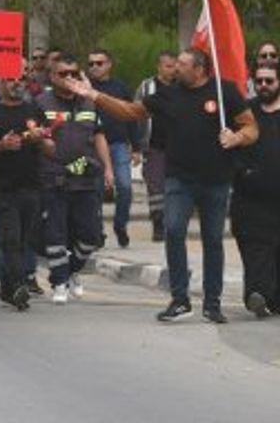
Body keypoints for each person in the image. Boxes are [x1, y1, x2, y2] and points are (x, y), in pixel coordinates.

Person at [62, 48, 257, 324]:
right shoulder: (168, 94)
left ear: (200, 68)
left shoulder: (225, 91)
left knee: (213, 240)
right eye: (176, 63)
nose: (177, 68)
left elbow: (251, 127)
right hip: (178, 178)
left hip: (216, 179)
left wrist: (237, 137)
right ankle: (180, 300)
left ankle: (212, 303)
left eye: (183, 64)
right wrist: (94, 95)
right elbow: (130, 111)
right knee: (174, 230)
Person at [35, 56, 112, 305]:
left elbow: (99, 136)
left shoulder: (89, 102)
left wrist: (109, 169)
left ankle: (71, 271)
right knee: (56, 233)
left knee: (91, 235)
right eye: (63, 73)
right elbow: (35, 138)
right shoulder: (40, 103)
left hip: (86, 176)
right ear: (52, 77)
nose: (70, 77)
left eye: (74, 73)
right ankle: (59, 282)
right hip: (54, 176)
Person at [0, 71, 53, 310]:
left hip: (31, 186)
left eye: (21, 79)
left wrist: (40, 139)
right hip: (3, 187)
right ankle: (18, 284)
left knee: (25, 239)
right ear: (0, 83)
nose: (16, 83)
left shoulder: (34, 110)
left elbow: (50, 148)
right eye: (10, 78)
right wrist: (1, 145)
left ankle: (8, 285)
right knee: (10, 238)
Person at [234, 63, 280, 317]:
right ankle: (256, 293)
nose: (263, 86)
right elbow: (232, 144)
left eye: (269, 81)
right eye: (259, 81)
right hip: (250, 198)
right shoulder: (246, 113)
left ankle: (272, 296)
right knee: (255, 248)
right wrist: (242, 172)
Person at [87, 49, 140, 248]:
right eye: (91, 63)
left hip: (118, 144)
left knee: (125, 187)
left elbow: (132, 116)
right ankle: (97, 232)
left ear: (109, 64)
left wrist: (136, 147)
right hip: (92, 146)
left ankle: (120, 224)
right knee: (96, 191)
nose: (94, 67)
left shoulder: (120, 87)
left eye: (99, 63)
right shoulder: (85, 87)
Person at [135, 52, 177, 242]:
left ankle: (173, 222)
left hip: (178, 145)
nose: (172, 69)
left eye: (174, 65)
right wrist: (135, 144)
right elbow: (134, 112)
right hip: (153, 144)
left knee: (174, 185)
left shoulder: (181, 87)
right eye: (168, 66)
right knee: (155, 186)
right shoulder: (147, 87)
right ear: (159, 67)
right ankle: (158, 223)